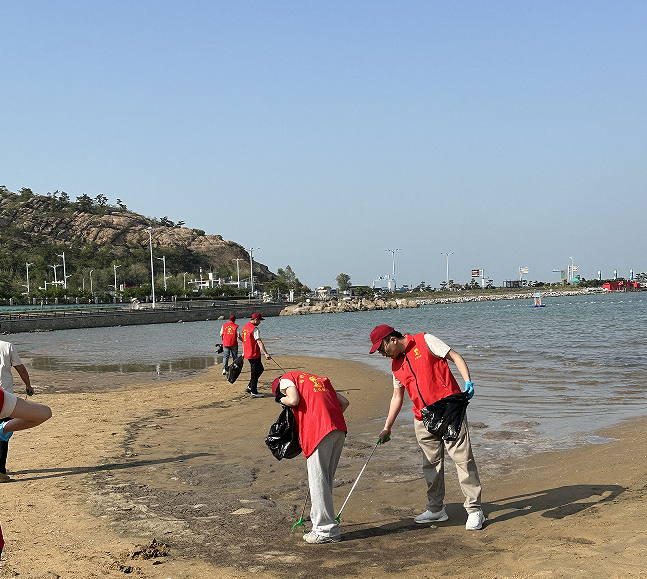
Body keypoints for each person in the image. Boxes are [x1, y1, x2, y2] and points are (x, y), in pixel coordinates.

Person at [369, 324, 485, 530]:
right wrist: (387, 427)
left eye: (381, 348)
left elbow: (455, 356)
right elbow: (397, 397)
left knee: (463, 460)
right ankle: (436, 509)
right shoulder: (395, 366)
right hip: (423, 418)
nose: (381, 353)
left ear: (392, 339)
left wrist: (468, 382)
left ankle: (475, 510)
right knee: (431, 465)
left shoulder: (425, 341)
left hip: (449, 410)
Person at [272, 371, 349, 544]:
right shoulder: (318, 380)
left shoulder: (287, 379)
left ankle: (325, 530)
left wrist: (281, 399)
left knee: (318, 481)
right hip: (338, 429)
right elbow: (344, 402)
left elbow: (293, 400)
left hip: (319, 432)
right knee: (325, 480)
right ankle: (320, 524)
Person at [0, 325, 52, 483]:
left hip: (4, 398)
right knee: (3, 435)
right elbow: (21, 369)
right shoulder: (7, 346)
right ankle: (0, 471)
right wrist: (28, 386)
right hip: (5, 397)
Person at [241, 313, 271, 398]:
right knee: (254, 372)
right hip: (253, 353)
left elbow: (244, 340)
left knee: (260, 369)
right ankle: (253, 392)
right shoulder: (254, 329)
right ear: (255, 319)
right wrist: (266, 353)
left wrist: (244, 351)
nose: (260, 322)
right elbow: (259, 342)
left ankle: (250, 386)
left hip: (248, 352)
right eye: (259, 320)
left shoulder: (244, 327)